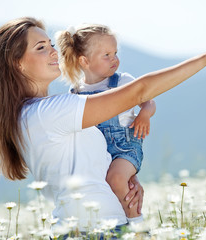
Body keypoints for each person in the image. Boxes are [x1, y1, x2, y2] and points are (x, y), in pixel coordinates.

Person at [0, 17, 206, 236]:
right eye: (41, 48)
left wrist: (126, 174)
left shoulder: (44, 111)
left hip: (105, 225)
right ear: (17, 64)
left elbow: (86, 159)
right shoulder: (48, 112)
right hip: (95, 231)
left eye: (50, 44)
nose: (53, 52)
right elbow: (139, 91)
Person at [56, 24, 156, 221]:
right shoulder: (76, 92)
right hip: (95, 154)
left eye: (115, 53)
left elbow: (149, 100)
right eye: (107, 55)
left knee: (116, 179)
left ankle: (137, 222)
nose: (114, 59)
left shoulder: (122, 81)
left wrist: (145, 113)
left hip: (124, 149)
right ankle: (113, 222)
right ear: (85, 61)